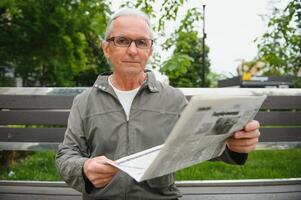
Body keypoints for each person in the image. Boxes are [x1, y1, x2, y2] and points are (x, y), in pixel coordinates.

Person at [55, 8, 261, 200]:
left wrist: (234, 145)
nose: (133, 50)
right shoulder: (84, 102)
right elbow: (66, 156)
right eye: (123, 41)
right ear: (106, 48)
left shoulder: (173, 99)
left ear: (150, 50)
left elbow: (200, 145)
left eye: (142, 42)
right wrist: (84, 167)